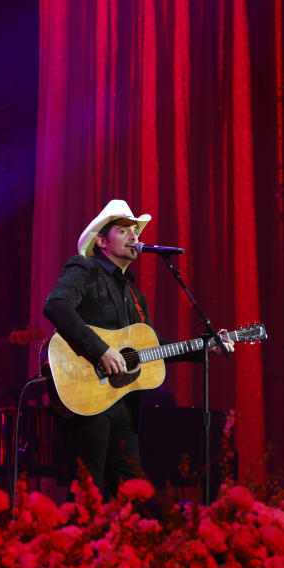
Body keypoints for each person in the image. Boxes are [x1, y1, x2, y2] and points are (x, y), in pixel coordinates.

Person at [43, 199, 234, 496]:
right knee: (87, 493)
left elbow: (152, 347)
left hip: (125, 407)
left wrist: (205, 347)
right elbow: (56, 305)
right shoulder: (85, 268)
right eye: (124, 230)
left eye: (136, 230)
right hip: (86, 396)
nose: (135, 235)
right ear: (102, 241)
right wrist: (101, 350)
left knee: (137, 495)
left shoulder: (135, 295)